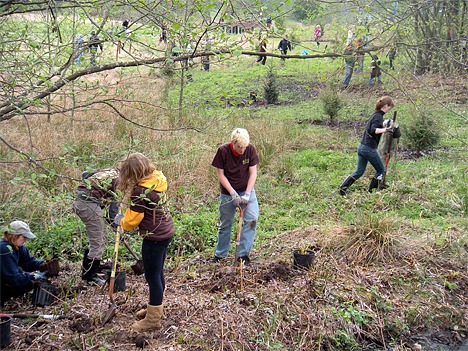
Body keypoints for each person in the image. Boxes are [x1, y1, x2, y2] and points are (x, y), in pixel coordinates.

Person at [115, 153, 174, 333]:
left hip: (154, 237)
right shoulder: (157, 178)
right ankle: (155, 307)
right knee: (157, 273)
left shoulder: (141, 192)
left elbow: (132, 221)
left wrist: (121, 221)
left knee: (152, 276)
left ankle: (153, 320)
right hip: (165, 232)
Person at [211, 128, 260, 266]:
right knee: (225, 224)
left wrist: (248, 194)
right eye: (239, 147)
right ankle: (220, 254)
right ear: (233, 143)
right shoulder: (223, 151)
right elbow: (221, 175)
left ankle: (243, 255)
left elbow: (253, 173)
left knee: (252, 219)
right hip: (228, 193)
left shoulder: (250, 149)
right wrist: (233, 193)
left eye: (244, 147)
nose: (242, 150)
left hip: (246, 190)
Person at [339, 96, 395, 195]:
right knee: (381, 170)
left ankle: (343, 188)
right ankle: (371, 192)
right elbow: (374, 130)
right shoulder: (378, 117)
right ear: (386, 106)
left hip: (362, 147)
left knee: (359, 171)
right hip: (369, 148)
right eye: (389, 108)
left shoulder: (375, 115)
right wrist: (387, 129)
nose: (389, 110)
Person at [73, 168, 119, 285]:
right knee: (98, 240)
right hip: (88, 204)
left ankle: (89, 270)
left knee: (101, 236)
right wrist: (118, 229)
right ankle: (90, 276)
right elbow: (111, 214)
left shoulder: (110, 171)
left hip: (81, 200)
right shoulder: (120, 182)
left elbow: (85, 174)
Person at [0, 221, 58, 306]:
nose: (26, 240)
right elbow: (13, 278)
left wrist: (44, 264)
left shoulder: (18, 247)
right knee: (27, 282)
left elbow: (28, 262)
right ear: (14, 236)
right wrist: (33, 276)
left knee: (26, 279)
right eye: (24, 237)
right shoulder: (4, 249)